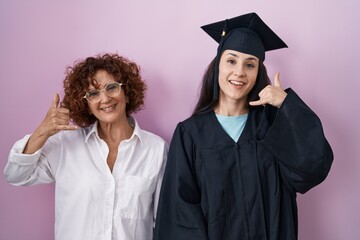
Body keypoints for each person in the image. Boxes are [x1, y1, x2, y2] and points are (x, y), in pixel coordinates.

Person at [154, 12, 333, 240]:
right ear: (218, 64)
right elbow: (179, 214)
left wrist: (286, 105)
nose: (239, 72)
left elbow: (313, 166)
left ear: (258, 72)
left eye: (250, 64)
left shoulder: (271, 125)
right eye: (231, 60)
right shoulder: (190, 134)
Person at [4, 53, 167, 240]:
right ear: (86, 103)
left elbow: (163, 220)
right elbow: (15, 175)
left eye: (112, 87)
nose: (104, 99)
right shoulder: (65, 145)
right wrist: (43, 131)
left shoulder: (156, 150)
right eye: (94, 93)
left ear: (127, 93)